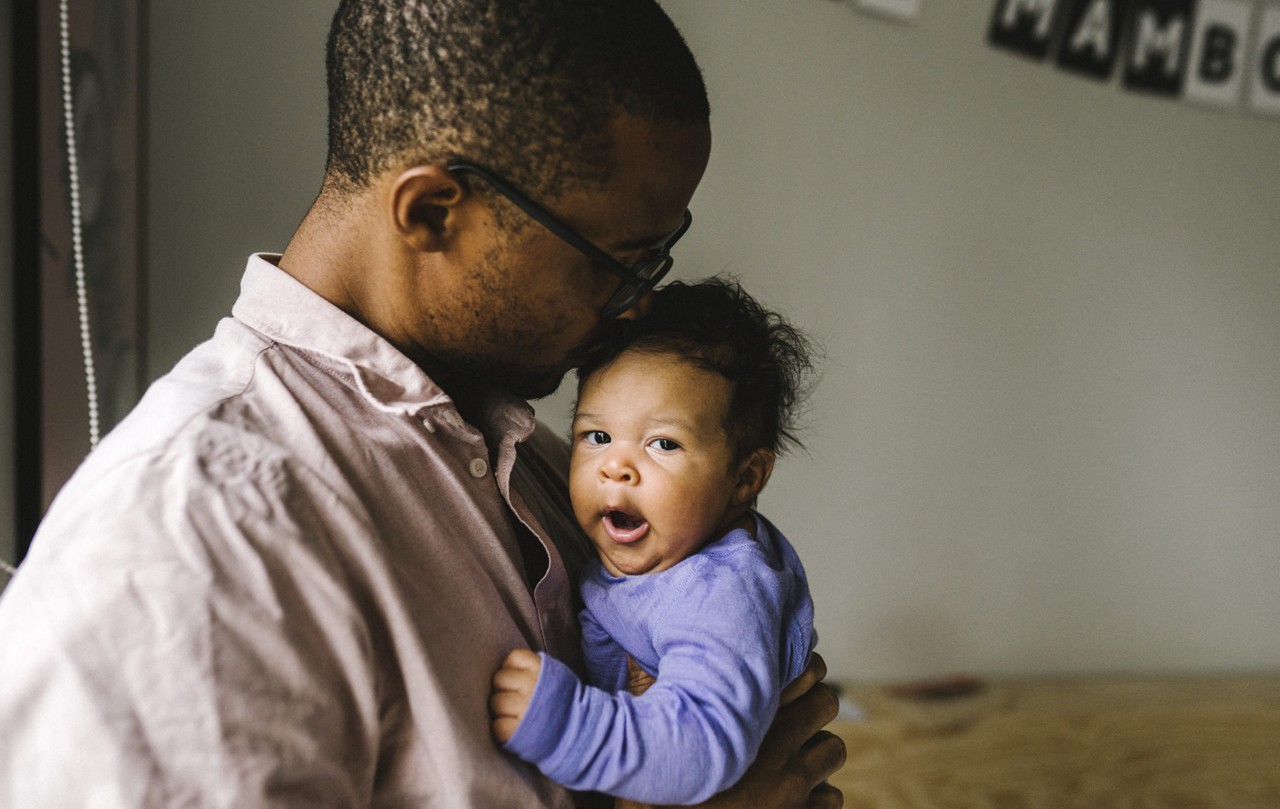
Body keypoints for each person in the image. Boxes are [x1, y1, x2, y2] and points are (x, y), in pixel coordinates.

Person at [0, 1, 845, 807]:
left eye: (661, 255)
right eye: (618, 259)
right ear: (435, 210)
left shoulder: (538, 458)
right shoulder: (189, 545)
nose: (638, 306)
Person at [490, 279, 820, 805]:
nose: (615, 467)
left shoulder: (720, 591)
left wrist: (568, 725)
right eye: (596, 436)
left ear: (745, 478)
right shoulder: (657, 560)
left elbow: (700, 744)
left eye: (663, 443)